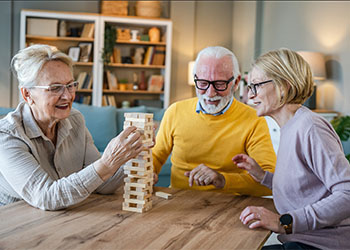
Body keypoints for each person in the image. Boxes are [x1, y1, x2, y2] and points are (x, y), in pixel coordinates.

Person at [0, 44, 144, 210]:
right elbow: (46, 197)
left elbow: (103, 185)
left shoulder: (75, 120)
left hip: (63, 218)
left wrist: (134, 154)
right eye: (55, 88)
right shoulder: (6, 136)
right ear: (27, 94)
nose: (68, 96)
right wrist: (107, 162)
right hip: (15, 225)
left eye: (70, 85)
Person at [233, 48, 350, 249]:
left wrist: (284, 222)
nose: (250, 95)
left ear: (283, 87)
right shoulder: (289, 127)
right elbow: (306, 187)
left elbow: (347, 193)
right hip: (300, 240)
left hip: (322, 245)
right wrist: (263, 176)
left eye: (256, 86)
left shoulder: (310, 127)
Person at [152, 46, 276, 196]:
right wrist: (147, 172)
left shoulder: (255, 120)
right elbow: (156, 157)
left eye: (219, 84)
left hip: (228, 207)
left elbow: (269, 183)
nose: (210, 93)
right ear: (195, 78)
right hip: (178, 201)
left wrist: (223, 180)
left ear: (236, 82)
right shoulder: (175, 111)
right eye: (203, 83)